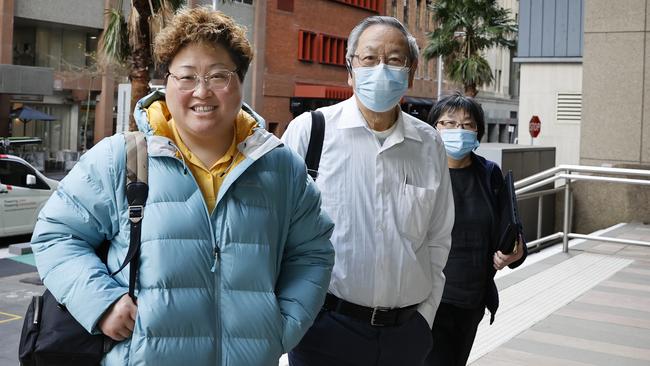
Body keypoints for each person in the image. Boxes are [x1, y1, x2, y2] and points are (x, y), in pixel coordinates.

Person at [30, 7, 335, 366]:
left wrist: (283, 327)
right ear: (167, 83)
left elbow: (312, 252)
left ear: (241, 81)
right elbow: (56, 235)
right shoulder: (122, 158)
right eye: (187, 76)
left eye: (218, 75)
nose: (202, 92)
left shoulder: (280, 167)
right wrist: (101, 302)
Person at [282, 15, 454, 366]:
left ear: (410, 70)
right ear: (350, 69)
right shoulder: (311, 133)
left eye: (394, 60)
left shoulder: (428, 143)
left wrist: (425, 317)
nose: (381, 69)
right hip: (323, 329)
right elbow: (275, 232)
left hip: (405, 335)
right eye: (370, 58)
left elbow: (438, 238)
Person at [425, 92, 527, 366]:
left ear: (478, 131)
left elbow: (513, 231)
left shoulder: (489, 173)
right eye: (448, 123)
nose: (458, 130)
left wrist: (514, 254)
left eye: (467, 124)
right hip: (427, 300)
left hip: (472, 300)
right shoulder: (420, 172)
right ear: (433, 128)